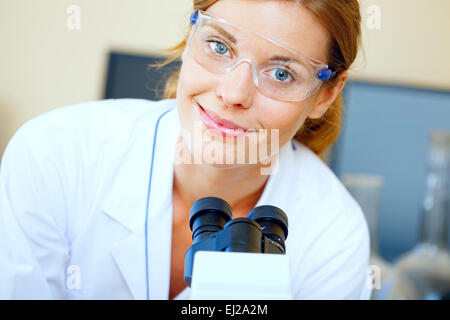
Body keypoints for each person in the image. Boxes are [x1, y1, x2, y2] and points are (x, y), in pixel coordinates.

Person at [0, 0, 371, 299]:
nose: (233, 93)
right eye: (220, 46)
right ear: (193, 33)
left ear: (326, 94)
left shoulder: (333, 235)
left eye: (281, 73)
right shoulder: (54, 156)